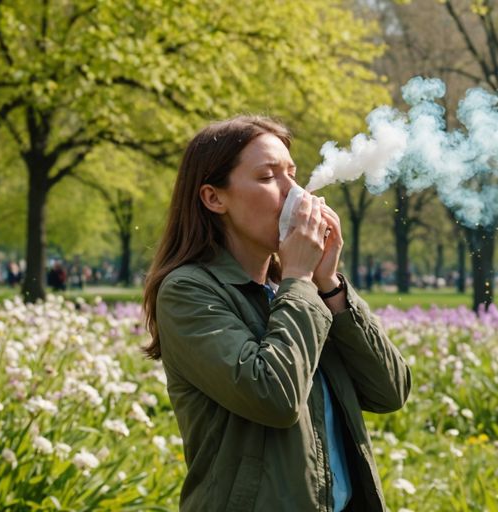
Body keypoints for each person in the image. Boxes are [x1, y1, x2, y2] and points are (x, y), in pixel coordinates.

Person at [142, 116, 411, 511]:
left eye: (293, 174)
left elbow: (389, 391)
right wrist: (301, 279)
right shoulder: (188, 291)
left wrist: (330, 286)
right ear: (214, 198)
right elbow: (274, 397)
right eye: (269, 177)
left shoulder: (302, 292)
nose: (296, 193)